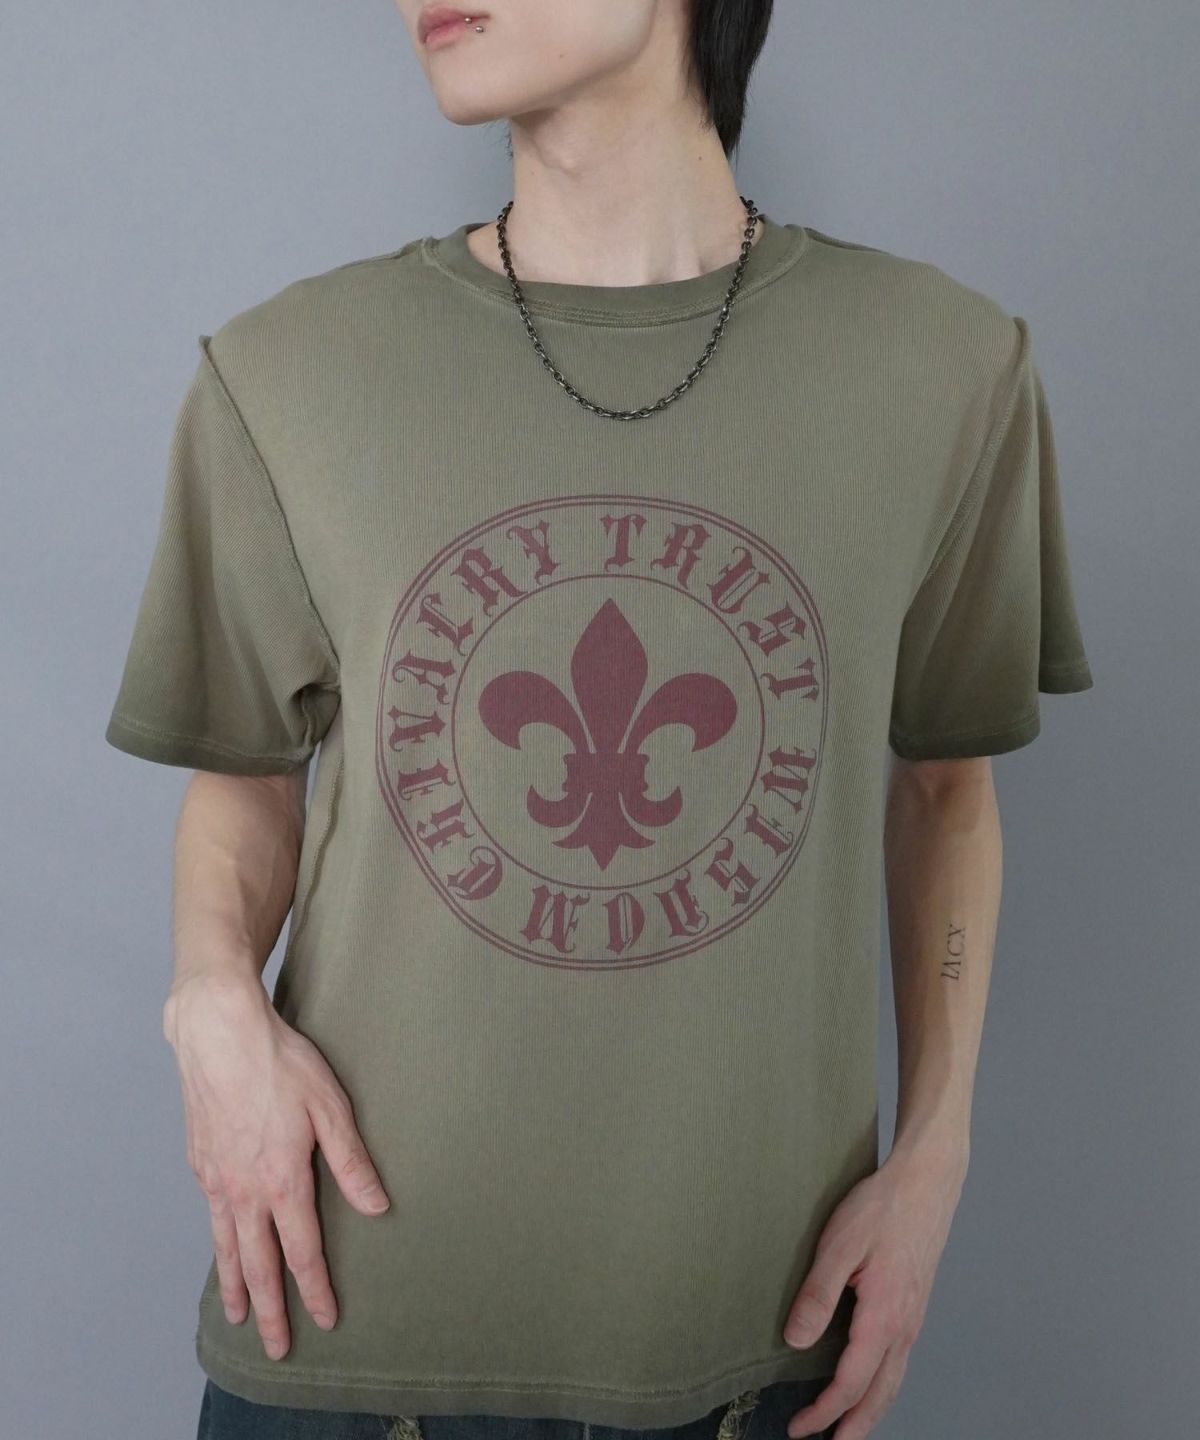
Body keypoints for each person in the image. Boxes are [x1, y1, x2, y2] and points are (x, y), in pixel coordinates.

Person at [103, 3, 1095, 1439]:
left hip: (754, 1354)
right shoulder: (288, 370)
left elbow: (947, 793)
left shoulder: (943, 367)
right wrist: (208, 996)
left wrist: (936, 1159)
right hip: (344, 1339)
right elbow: (244, 782)